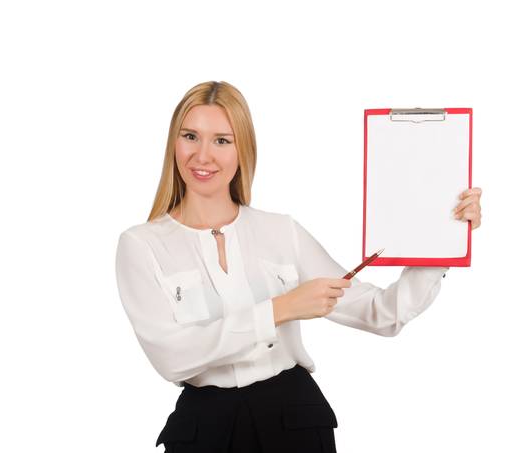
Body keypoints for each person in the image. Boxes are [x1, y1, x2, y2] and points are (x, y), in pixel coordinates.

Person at [115, 81, 483, 452]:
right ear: (172, 144)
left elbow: (382, 313)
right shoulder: (141, 246)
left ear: (243, 149)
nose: (202, 155)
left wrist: (444, 238)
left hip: (294, 422)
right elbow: (172, 357)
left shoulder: (281, 232)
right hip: (204, 431)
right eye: (190, 136)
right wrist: (283, 308)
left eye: (222, 140)